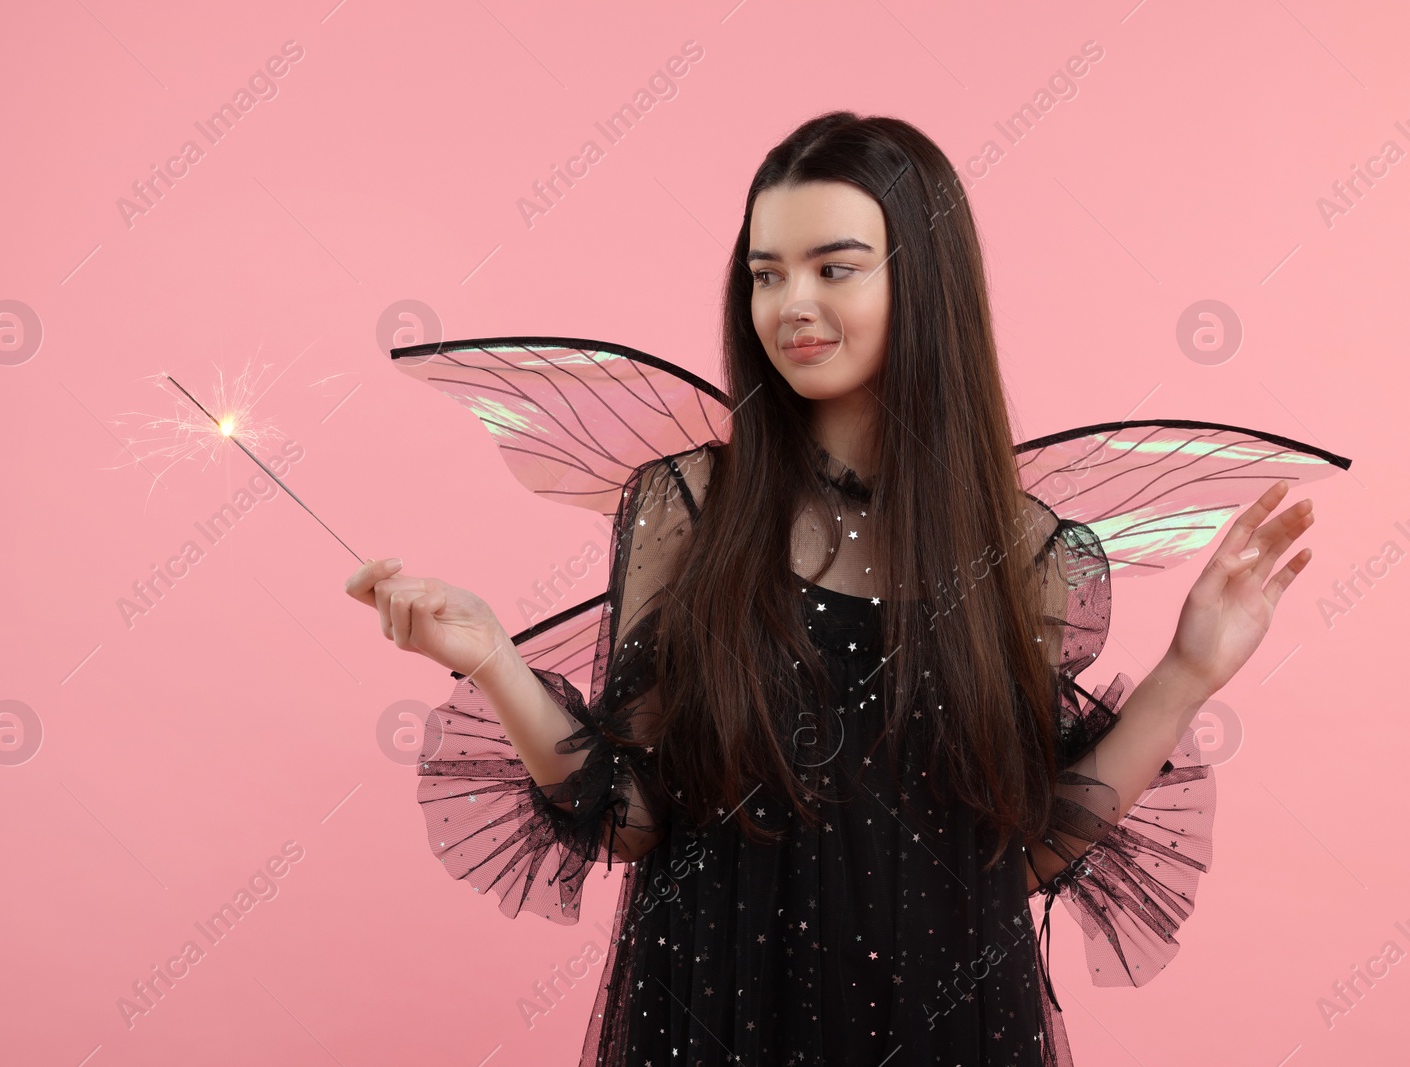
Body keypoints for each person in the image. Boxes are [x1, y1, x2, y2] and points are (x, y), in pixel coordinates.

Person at [347, 112, 1323, 1065]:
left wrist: (1189, 670)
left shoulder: (1021, 552)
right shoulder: (690, 508)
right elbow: (632, 817)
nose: (790, 304)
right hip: (716, 1008)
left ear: (925, 282)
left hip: (950, 1019)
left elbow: (1019, 855)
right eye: (766, 274)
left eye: (834, 267)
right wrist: (490, 658)